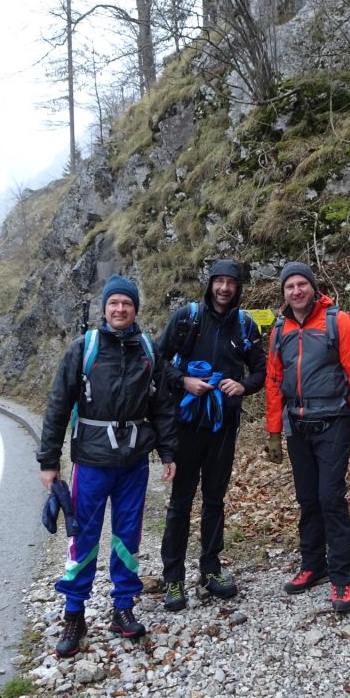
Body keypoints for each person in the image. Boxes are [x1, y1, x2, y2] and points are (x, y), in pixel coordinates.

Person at [36, 275, 177, 657]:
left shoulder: (148, 350)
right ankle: (74, 613)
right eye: (114, 303)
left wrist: (168, 452)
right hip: (93, 462)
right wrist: (50, 461)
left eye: (126, 304)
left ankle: (123, 608)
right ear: (104, 308)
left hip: (134, 462)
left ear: (135, 310)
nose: (120, 309)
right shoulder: (85, 348)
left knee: (128, 536)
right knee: (83, 536)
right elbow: (57, 405)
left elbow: (162, 405)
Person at [264, 261, 350, 614]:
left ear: (313, 287)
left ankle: (342, 577)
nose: (296, 291)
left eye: (301, 284)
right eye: (289, 286)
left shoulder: (337, 321)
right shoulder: (279, 329)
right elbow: (272, 380)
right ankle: (314, 565)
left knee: (330, 498)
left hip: (333, 424)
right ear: (283, 293)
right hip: (297, 426)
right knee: (307, 498)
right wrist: (272, 433)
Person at [155, 259, 267, 611]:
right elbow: (157, 361)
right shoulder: (187, 317)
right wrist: (183, 381)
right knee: (180, 501)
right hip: (187, 425)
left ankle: (211, 569)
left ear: (238, 287)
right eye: (218, 281)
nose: (223, 288)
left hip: (224, 426)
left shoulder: (245, 325)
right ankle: (173, 577)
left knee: (215, 499)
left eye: (230, 283)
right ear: (209, 284)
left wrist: (244, 385)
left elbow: (262, 369)